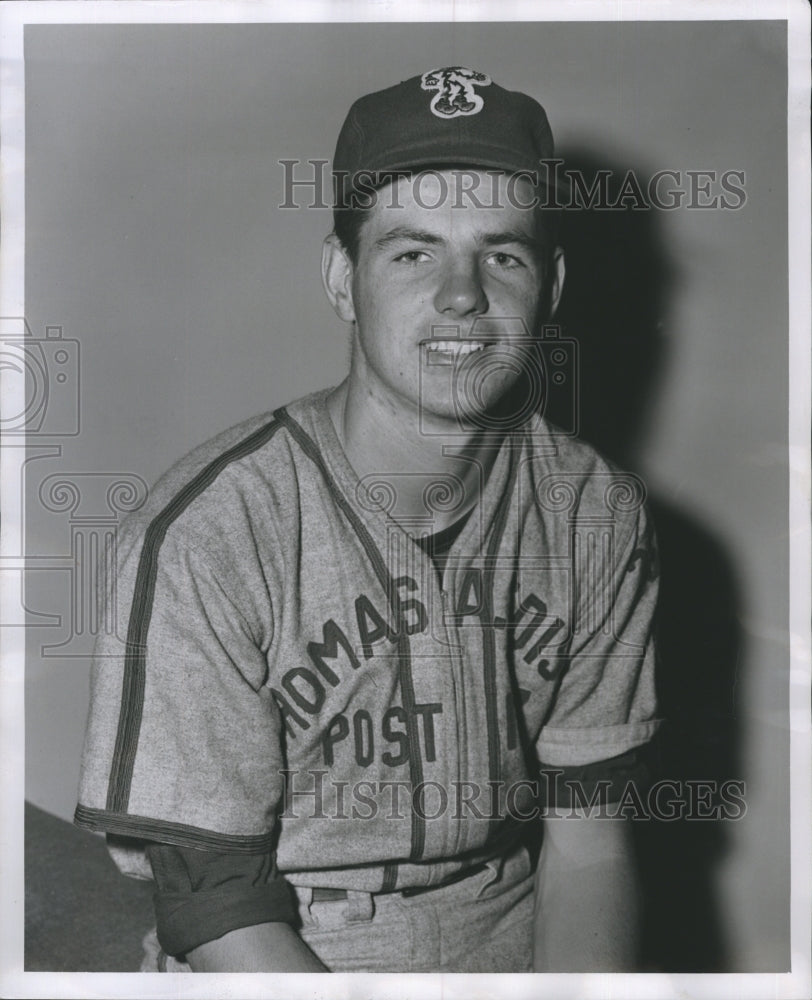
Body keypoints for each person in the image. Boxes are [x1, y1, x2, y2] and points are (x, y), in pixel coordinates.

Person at [75, 66, 661, 974]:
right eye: (412, 251)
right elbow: (213, 899)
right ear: (342, 278)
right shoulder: (209, 531)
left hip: (513, 929)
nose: (463, 295)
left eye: (501, 252)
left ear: (548, 287)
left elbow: (588, 844)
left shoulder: (596, 513)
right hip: (286, 944)